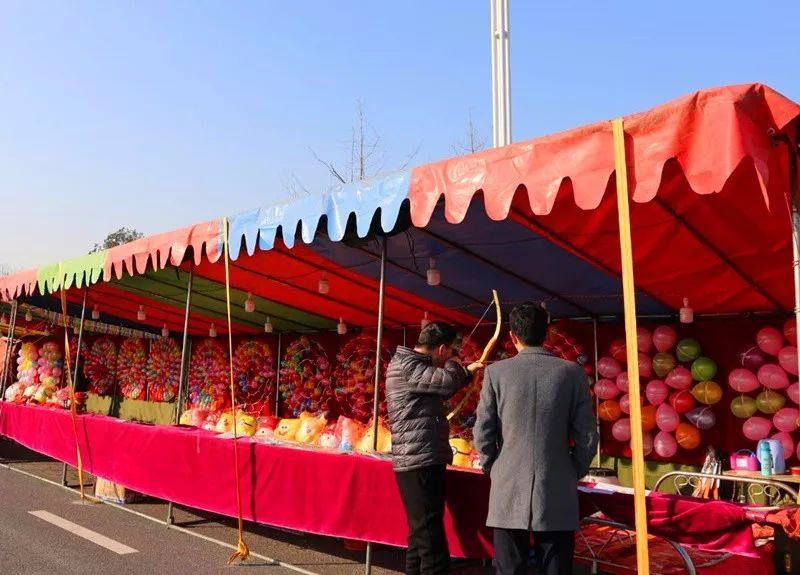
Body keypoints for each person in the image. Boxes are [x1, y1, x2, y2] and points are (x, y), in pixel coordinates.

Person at [473, 303, 598, 575]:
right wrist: (572, 469)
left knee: (509, 569)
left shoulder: (497, 373)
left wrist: (491, 466)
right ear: (547, 335)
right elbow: (587, 434)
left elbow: (483, 430)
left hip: (507, 482)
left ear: (512, 337)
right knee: (556, 567)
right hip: (556, 481)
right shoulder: (571, 373)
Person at [386, 321, 484, 575]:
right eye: (449, 350)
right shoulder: (410, 367)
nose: (450, 355)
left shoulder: (414, 368)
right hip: (419, 460)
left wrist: (466, 372)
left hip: (420, 458)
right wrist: (458, 364)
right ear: (441, 348)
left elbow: (442, 384)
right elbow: (447, 382)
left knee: (420, 536)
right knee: (430, 540)